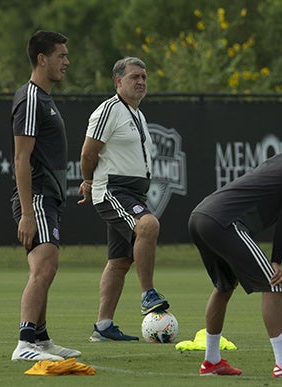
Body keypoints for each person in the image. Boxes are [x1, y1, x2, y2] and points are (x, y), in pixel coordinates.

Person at [188, 131, 282, 379]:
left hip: (200, 217)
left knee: (224, 286)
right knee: (274, 283)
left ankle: (211, 362)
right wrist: (276, 261)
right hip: (223, 221)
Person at [78, 57, 169, 342]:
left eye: (144, 76)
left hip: (132, 192)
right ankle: (147, 294)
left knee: (119, 260)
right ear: (118, 81)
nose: (141, 81)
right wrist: (89, 181)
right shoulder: (109, 110)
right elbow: (88, 153)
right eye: (134, 77)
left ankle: (103, 328)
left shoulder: (137, 114)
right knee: (148, 225)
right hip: (112, 189)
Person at [10, 30, 80, 362]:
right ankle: (25, 343)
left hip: (48, 198)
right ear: (42, 59)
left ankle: (40, 339)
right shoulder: (32, 98)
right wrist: (26, 212)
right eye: (61, 55)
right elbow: (21, 158)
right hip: (36, 197)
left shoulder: (45, 98)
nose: (67, 61)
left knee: (47, 266)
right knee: (44, 265)